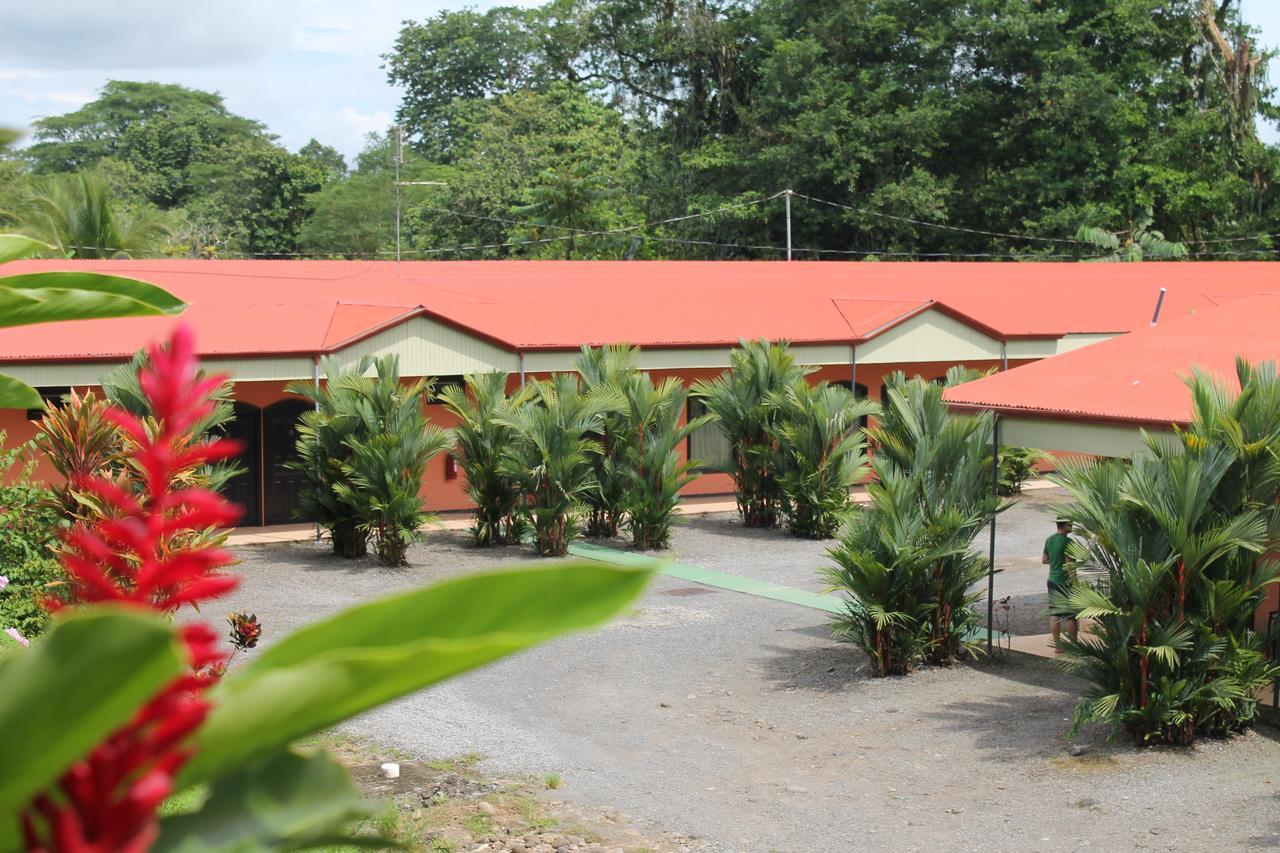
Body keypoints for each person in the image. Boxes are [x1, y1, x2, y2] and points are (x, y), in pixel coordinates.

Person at [1042, 518, 1077, 645]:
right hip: (1065, 582)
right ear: (1064, 525)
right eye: (1070, 524)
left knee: (1055, 613)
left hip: (1052, 580)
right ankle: (1074, 646)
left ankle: (1057, 646)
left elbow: (1045, 560)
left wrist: (1057, 562)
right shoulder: (1068, 542)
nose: (1072, 526)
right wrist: (1076, 584)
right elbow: (1070, 566)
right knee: (1071, 615)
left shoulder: (1049, 540)